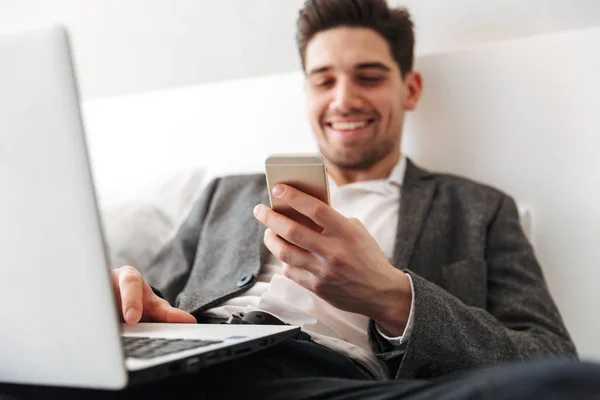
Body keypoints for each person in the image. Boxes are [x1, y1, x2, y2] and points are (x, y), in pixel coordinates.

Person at [3, 0, 599, 399]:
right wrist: (123, 292)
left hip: (343, 381)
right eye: (324, 79)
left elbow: (547, 349)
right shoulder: (226, 194)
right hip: (197, 368)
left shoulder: (478, 207)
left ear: (409, 88)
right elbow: (150, 301)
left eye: (368, 76)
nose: (344, 98)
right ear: (308, 91)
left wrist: (394, 298)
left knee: (570, 385)